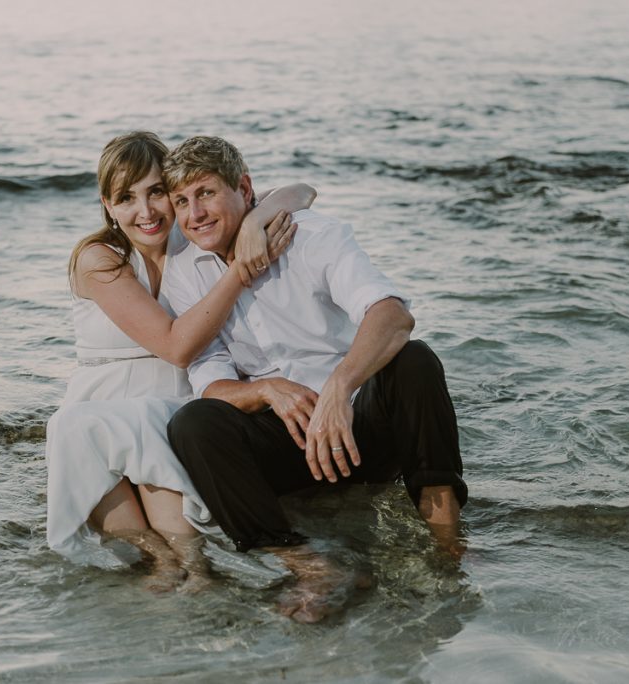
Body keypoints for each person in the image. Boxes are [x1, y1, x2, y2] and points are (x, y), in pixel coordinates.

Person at [161, 136, 467, 620]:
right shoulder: (183, 271)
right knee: (195, 423)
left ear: (244, 188)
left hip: (356, 428)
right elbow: (209, 379)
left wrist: (341, 388)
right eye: (181, 201)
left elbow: (391, 315)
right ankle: (308, 564)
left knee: (414, 361)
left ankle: (449, 544)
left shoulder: (310, 235)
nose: (194, 213)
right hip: (287, 440)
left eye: (205, 193)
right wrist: (264, 388)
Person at [45, 131, 315, 592]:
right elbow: (175, 345)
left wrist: (256, 221)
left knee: (146, 424)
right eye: (126, 198)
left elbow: (303, 193)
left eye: (155, 193)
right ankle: (161, 560)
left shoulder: (190, 242)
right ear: (107, 205)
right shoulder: (98, 259)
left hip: (175, 393)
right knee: (80, 427)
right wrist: (241, 269)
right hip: (105, 395)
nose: (145, 212)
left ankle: (196, 565)